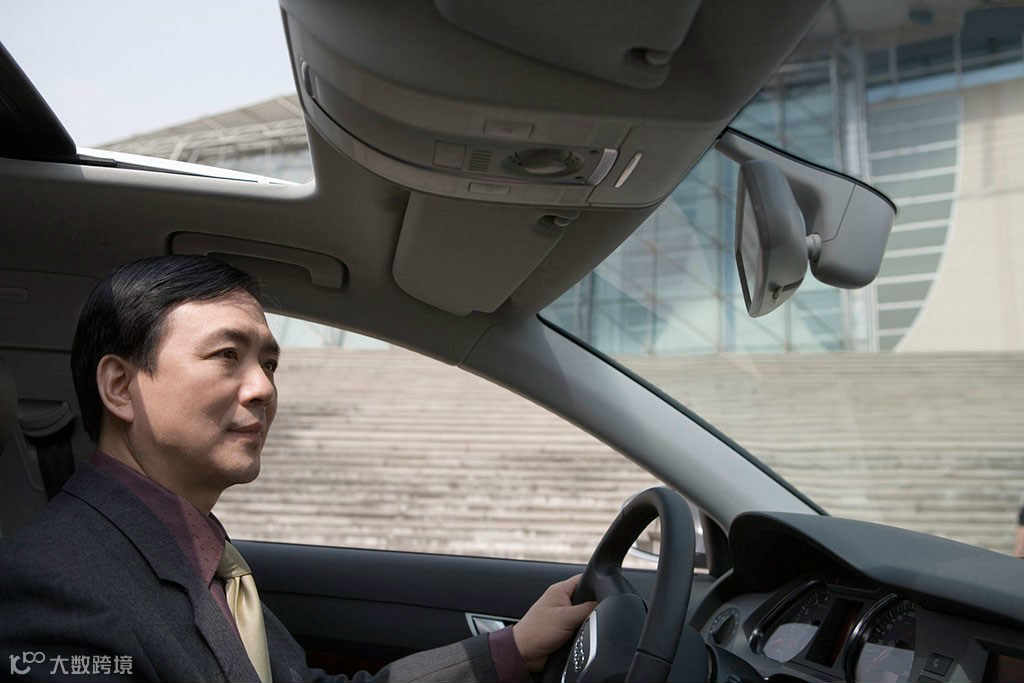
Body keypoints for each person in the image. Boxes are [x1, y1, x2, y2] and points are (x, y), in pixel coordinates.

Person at [0, 255, 597, 682]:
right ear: (119, 387)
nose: (263, 388)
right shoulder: (55, 586)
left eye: (269, 363)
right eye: (227, 356)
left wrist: (513, 649)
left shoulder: (202, 554)